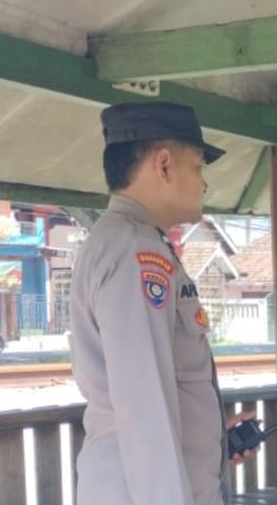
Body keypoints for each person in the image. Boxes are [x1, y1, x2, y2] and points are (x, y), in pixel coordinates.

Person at [70, 102, 254, 505]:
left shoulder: (126, 241)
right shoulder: (135, 251)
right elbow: (144, 408)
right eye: (198, 167)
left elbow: (149, 392)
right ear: (164, 164)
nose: (204, 185)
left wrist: (209, 435)